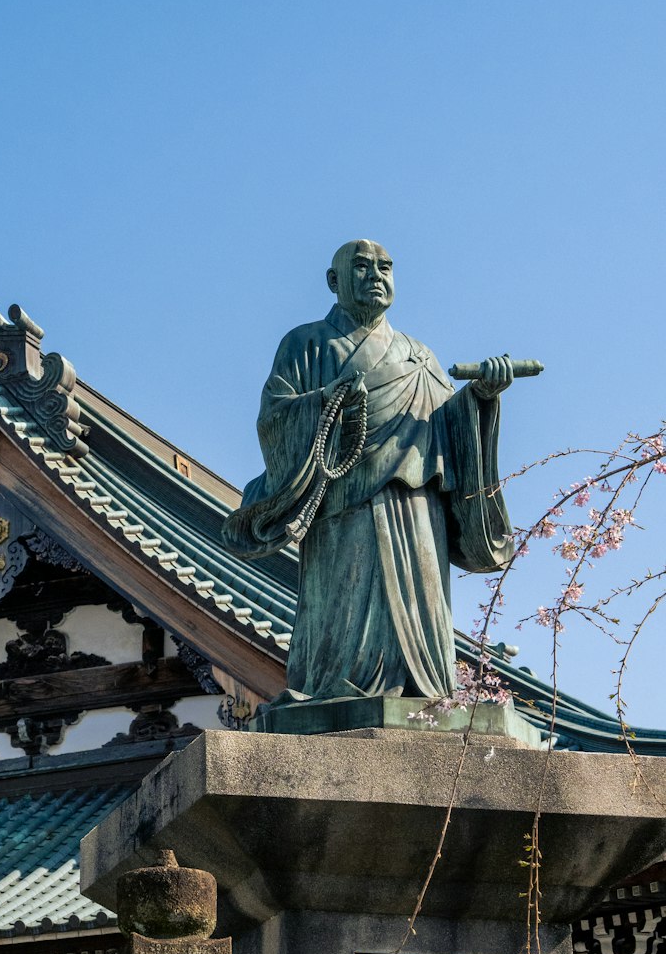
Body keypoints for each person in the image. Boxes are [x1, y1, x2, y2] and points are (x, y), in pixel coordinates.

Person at [221, 240, 515, 704]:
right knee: (343, 600)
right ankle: (330, 687)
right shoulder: (306, 343)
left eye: (385, 267)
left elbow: (446, 426)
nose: (375, 275)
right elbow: (274, 417)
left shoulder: (419, 355)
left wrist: (481, 398)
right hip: (343, 501)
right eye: (360, 267)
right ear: (334, 281)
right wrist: (328, 400)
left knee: (421, 603)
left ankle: (425, 688)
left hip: (417, 505)